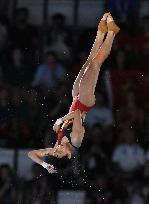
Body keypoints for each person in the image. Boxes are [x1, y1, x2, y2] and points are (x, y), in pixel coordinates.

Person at [28, 13, 120, 173]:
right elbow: (77, 114)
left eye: (54, 152)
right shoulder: (76, 140)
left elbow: (31, 153)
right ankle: (111, 33)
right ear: (68, 156)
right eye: (58, 153)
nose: (56, 150)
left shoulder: (58, 145)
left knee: (87, 62)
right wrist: (60, 119)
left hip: (75, 98)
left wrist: (44, 164)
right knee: (96, 64)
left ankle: (100, 33)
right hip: (84, 102)